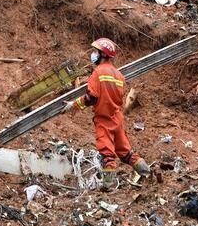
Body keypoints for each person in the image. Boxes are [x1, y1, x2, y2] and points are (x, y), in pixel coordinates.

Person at [63, 38, 151, 188]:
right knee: (126, 153)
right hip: (116, 118)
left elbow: (92, 97)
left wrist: (75, 105)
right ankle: (147, 173)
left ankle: (108, 186)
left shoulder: (98, 72)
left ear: (102, 54)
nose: (93, 55)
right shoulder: (119, 75)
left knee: (107, 154)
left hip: (104, 119)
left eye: (95, 52)